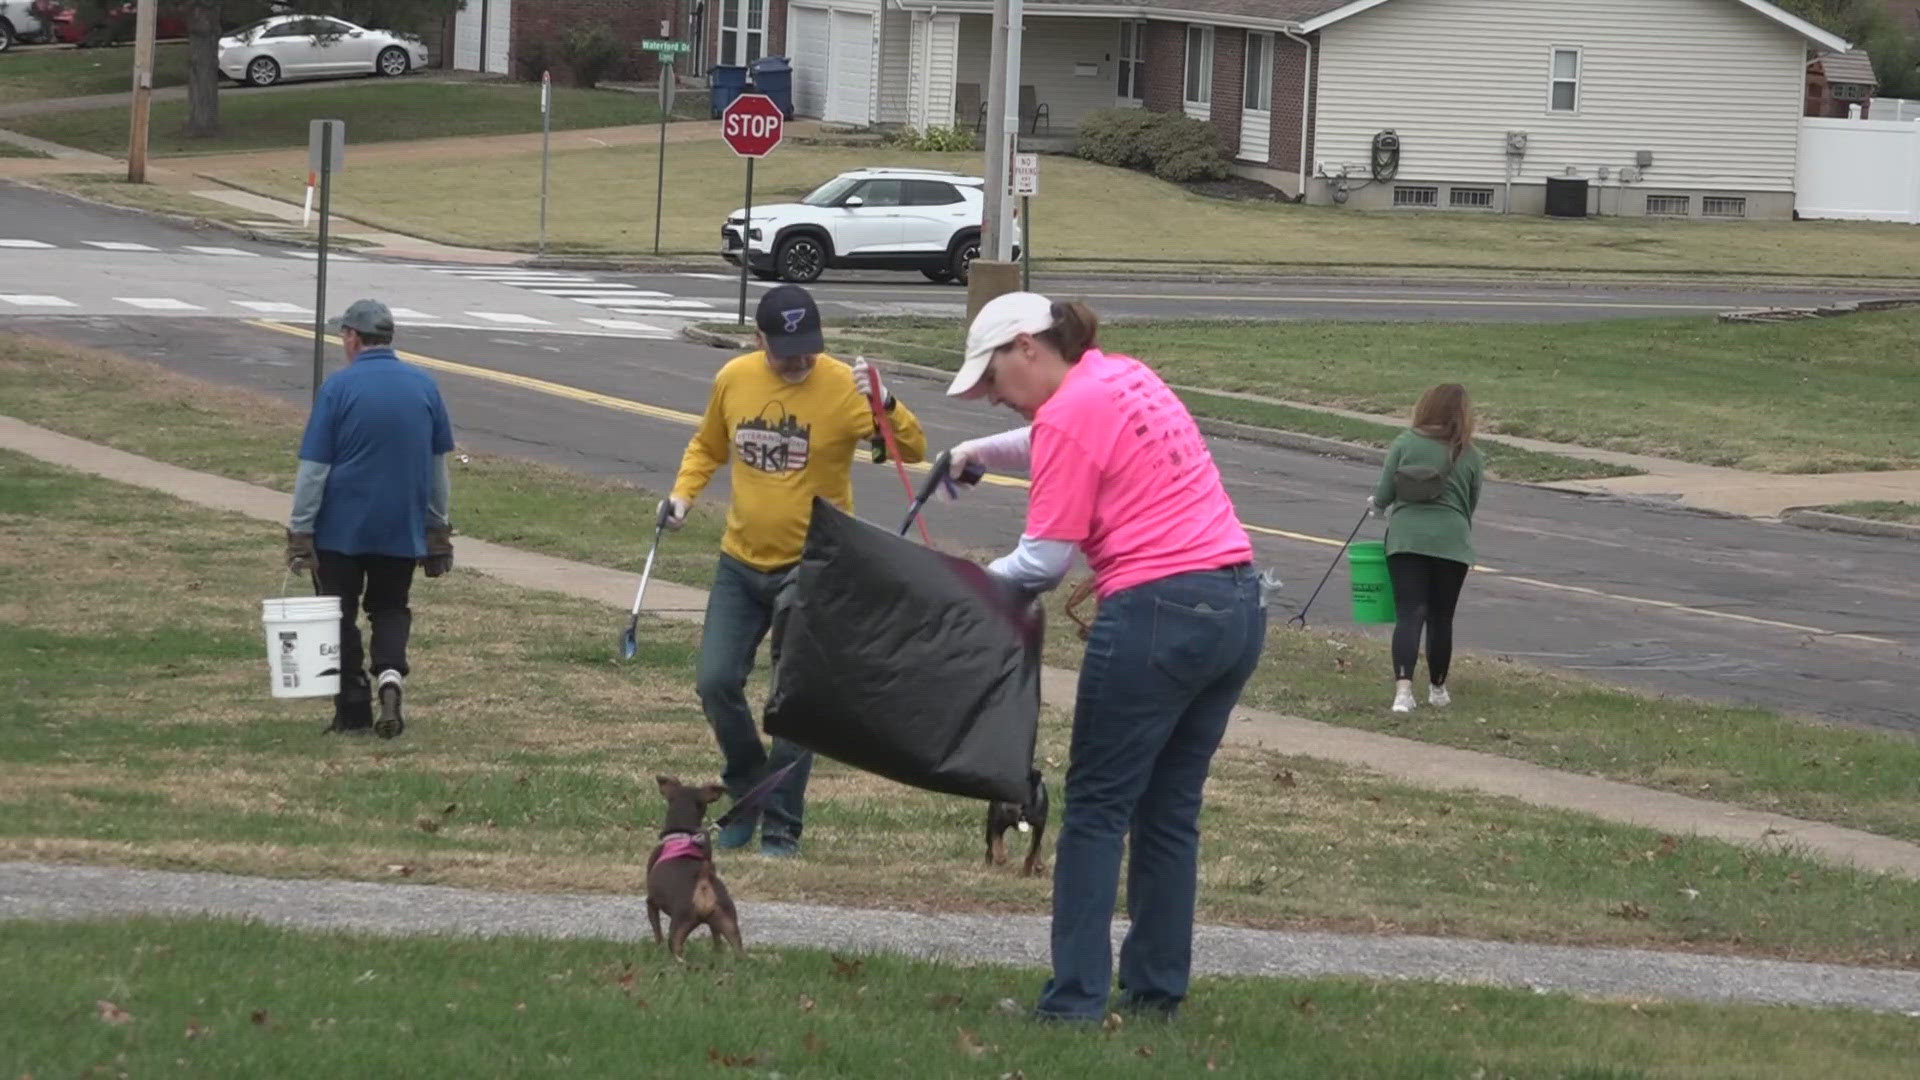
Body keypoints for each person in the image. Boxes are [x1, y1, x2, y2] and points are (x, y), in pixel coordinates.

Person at [942, 292, 1263, 1023]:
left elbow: (1044, 563)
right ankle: (1155, 995)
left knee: (1094, 812)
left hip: (1156, 614)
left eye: (992, 380)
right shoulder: (1120, 376)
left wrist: (958, 586)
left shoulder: (1066, 413)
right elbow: (1058, 440)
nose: (992, 398)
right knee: (1168, 813)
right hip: (1236, 606)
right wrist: (975, 453)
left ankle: (1073, 1003)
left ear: (1028, 347)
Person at [665, 284, 927, 858]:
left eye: (809, 346)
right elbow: (708, 446)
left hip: (814, 567)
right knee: (715, 681)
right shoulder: (734, 379)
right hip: (740, 561)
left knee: (795, 701)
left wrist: (886, 403)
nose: (800, 359)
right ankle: (749, 784)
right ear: (759, 340)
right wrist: (682, 497)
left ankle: (780, 827)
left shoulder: (842, 386)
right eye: (786, 349)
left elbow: (911, 449)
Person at [285, 299, 455, 739]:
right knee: (390, 607)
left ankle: (353, 707)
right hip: (401, 526)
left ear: (353, 337)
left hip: (340, 529)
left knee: (337, 616)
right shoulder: (425, 386)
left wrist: (301, 529)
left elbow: (314, 469)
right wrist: (437, 528)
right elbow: (437, 469)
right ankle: (390, 677)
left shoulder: (338, 390)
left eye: (343, 335)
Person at [1368, 383, 1484, 715]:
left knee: (1410, 613)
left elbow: (1385, 492)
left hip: (1406, 540)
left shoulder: (1405, 443)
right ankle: (1437, 688)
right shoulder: (1471, 455)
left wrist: (1376, 507)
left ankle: (1403, 691)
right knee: (1441, 616)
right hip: (1452, 542)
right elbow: (1470, 504)